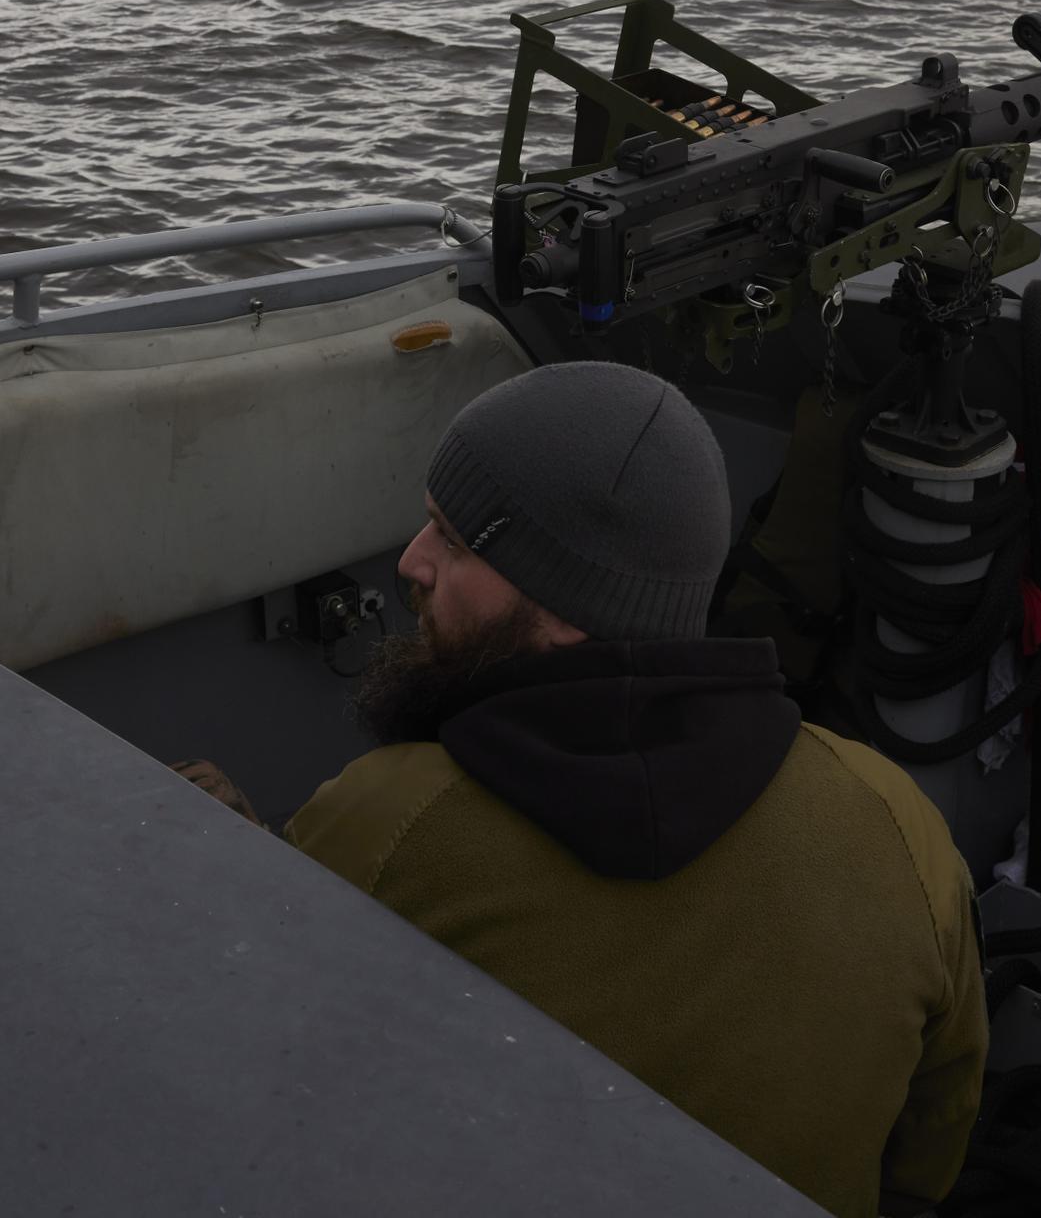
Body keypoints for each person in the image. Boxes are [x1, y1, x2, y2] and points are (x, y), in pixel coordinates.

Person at [281, 362, 988, 1217]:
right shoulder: (898, 822)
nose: (411, 562)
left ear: (569, 603)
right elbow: (928, 1150)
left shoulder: (381, 824)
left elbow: (279, 1088)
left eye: (456, 541)